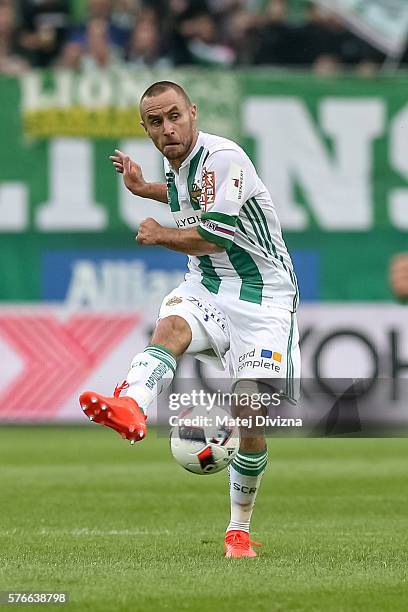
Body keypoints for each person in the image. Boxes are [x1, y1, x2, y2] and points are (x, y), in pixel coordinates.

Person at [79, 80, 300, 558]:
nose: (168, 128)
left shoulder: (225, 158)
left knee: (249, 415)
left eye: (175, 116)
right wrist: (146, 189)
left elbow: (215, 237)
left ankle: (238, 530)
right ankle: (132, 405)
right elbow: (189, 198)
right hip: (208, 285)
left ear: (193, 113)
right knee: (171, 329)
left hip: (264, 298)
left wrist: (160, 234)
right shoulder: (176, 161)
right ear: (146, 127)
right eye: (156, 122)